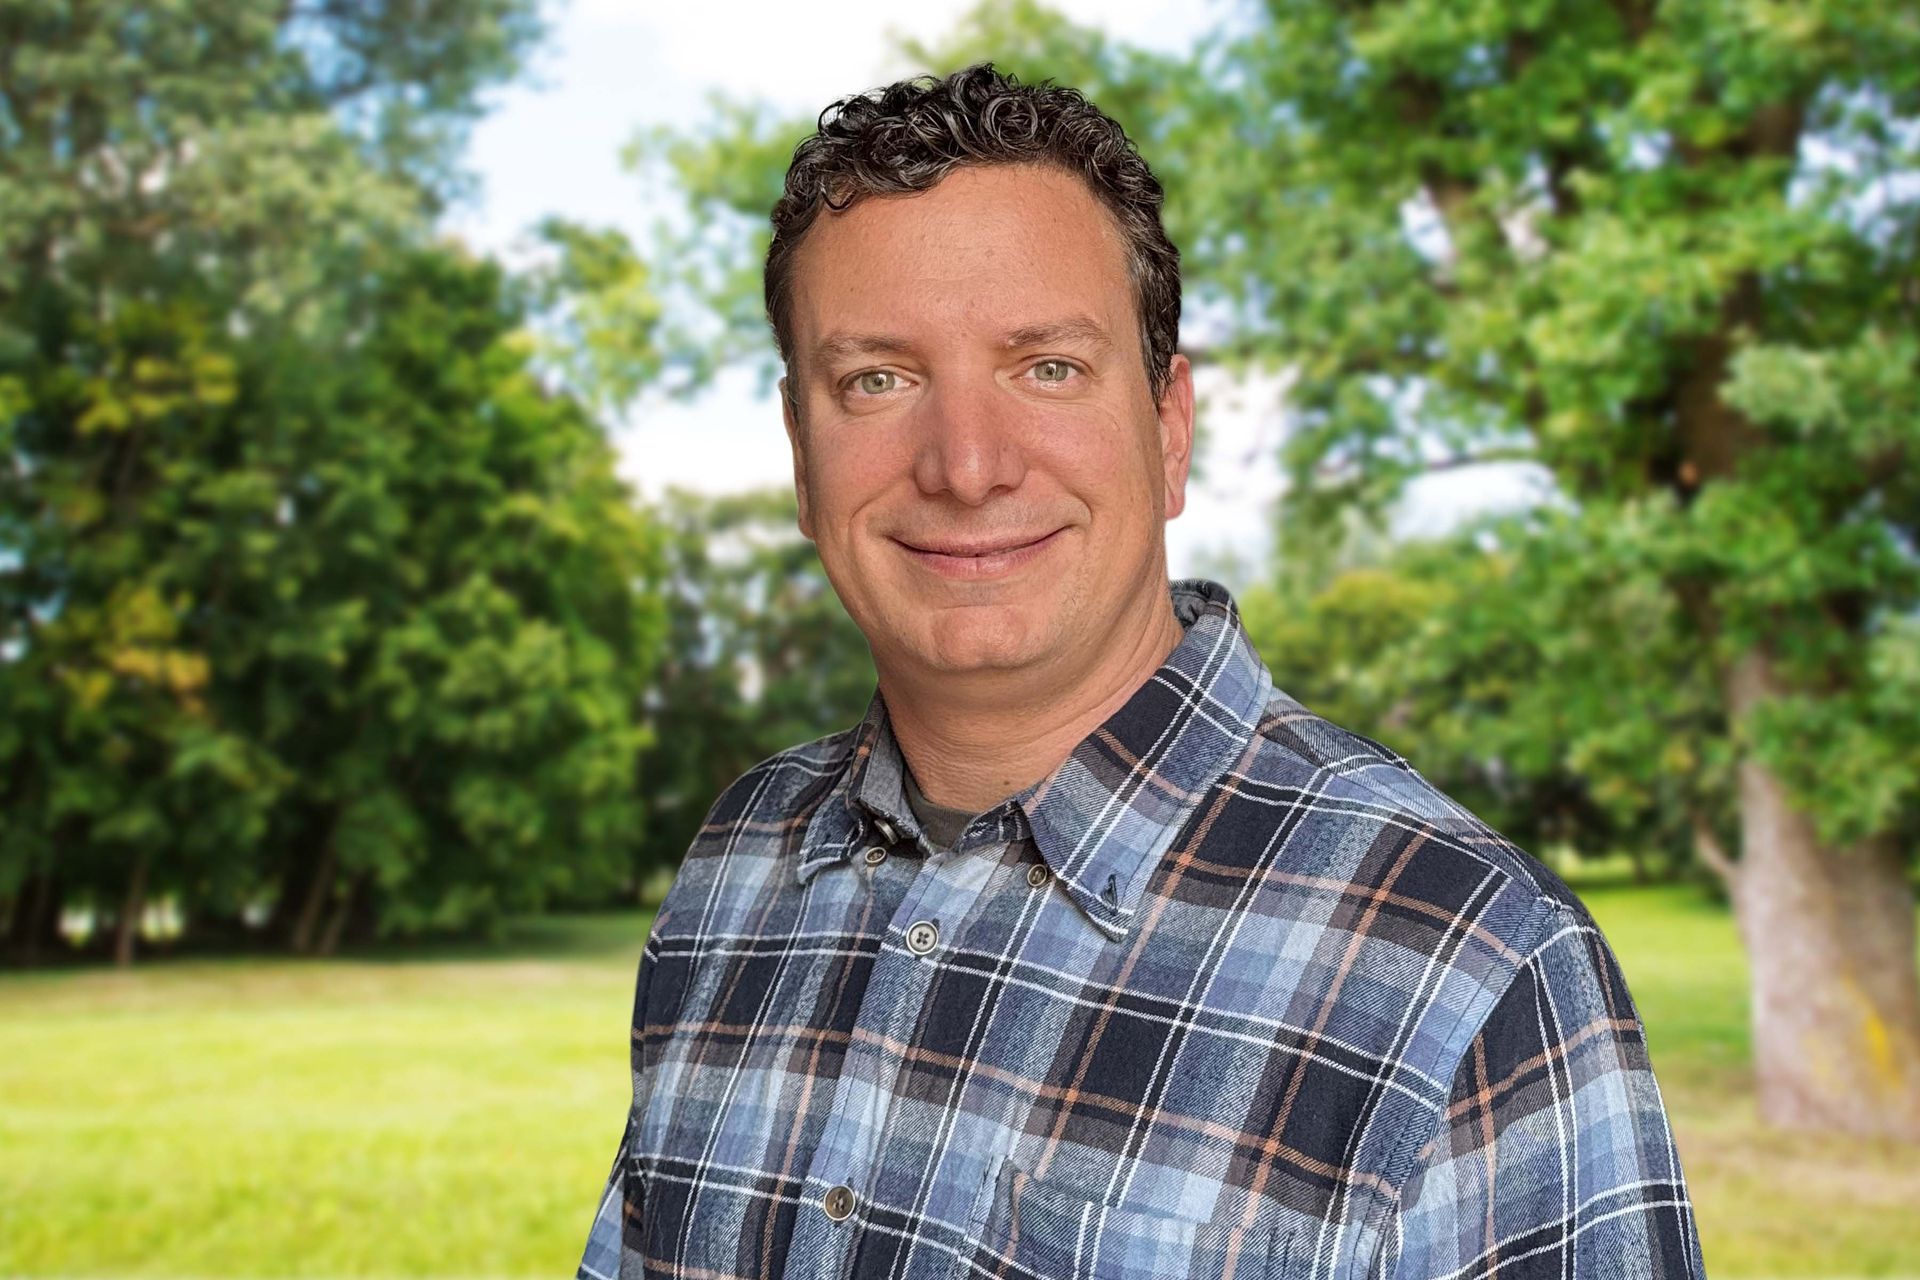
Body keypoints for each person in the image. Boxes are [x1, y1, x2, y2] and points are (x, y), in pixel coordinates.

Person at [576, 63, 1706, 1280]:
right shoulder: (737, 863)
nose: (966, 464)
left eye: (1047, 366)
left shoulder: (1472, 959)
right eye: (877, 380)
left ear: (1170, 427)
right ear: (803, 454)